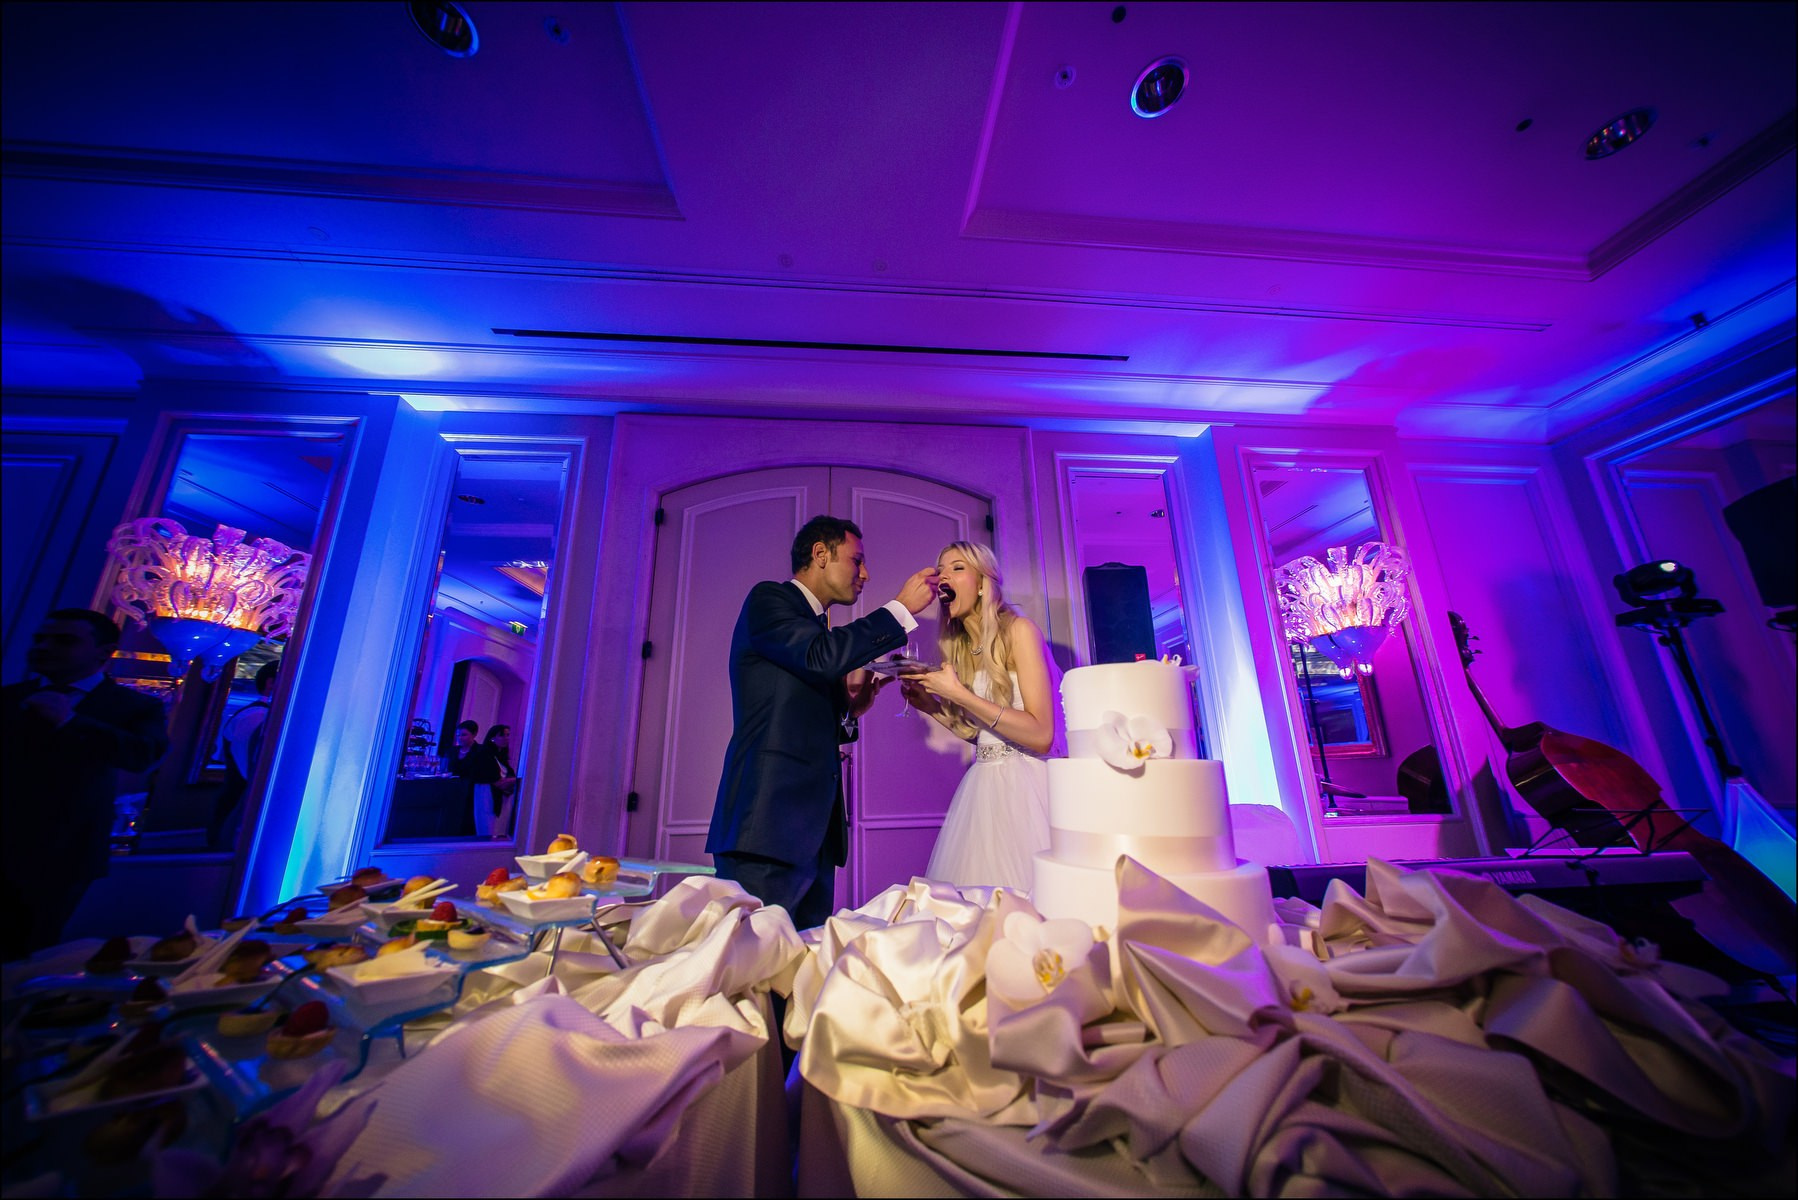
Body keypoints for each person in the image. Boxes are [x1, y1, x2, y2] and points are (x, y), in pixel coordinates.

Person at [707, 515, 939, 930]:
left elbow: (805, 703)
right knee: (751, 957)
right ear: (820, 554)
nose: (865, 574)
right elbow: (821, 657)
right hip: (766, 830)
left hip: (812, 835)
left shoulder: (817, 630)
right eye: (857, 560)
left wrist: (851, 709)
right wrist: (900, 609)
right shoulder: (769, 600)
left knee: (802, 959)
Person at [2, 608, 170, 958]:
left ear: (103, 652)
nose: (44, 647)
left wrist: (70, 721)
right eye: (40, 639)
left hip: (64, 849)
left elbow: (143, 756)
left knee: (27, 950)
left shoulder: (135, 706)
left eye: (64, 641)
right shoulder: (9, 697)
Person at [901, 542, 1056, 892]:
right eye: (940, 569)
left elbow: (1041, 734)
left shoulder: (1020, 631)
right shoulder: (962, 647)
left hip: (1028, 788)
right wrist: (931, 706)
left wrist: (959, 694)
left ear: (984, 583)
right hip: (985, 788)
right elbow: (981, 734)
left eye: (957, 568)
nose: (943, 576)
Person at [209, 658, 278, 849]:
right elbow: (253, 770)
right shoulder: (257, 716)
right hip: (240, 813)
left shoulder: (259, 714)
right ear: (271, 683)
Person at [474, 723, 519, 840]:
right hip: (488, 795)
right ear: (492, 737)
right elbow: (495, 780)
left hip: (503, 797)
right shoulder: (485, 754)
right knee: (489, 826)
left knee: (501, 828)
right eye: (502, 735)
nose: (506, 738)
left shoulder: (501, 757)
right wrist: (516, 780)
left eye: (508, 735)